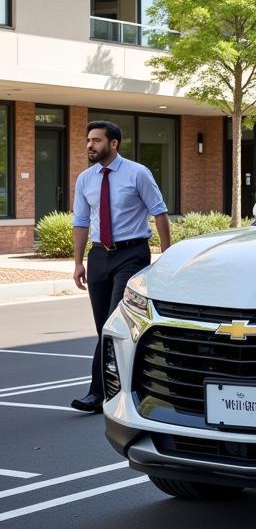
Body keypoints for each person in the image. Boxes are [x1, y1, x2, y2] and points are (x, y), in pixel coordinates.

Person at [70, 121, 171, 412]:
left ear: (113, 144)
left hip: (131, 253)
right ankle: (124, 387)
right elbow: (80, 221)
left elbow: (160, 213)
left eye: (96, 140)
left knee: (115, 321)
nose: (90, 145)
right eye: (88, 140)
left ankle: (95, 393)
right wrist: (78, 262)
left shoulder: (138, 173)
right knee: (105, 329)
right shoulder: (85, 179)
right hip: (99, 255)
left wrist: (166, 256)